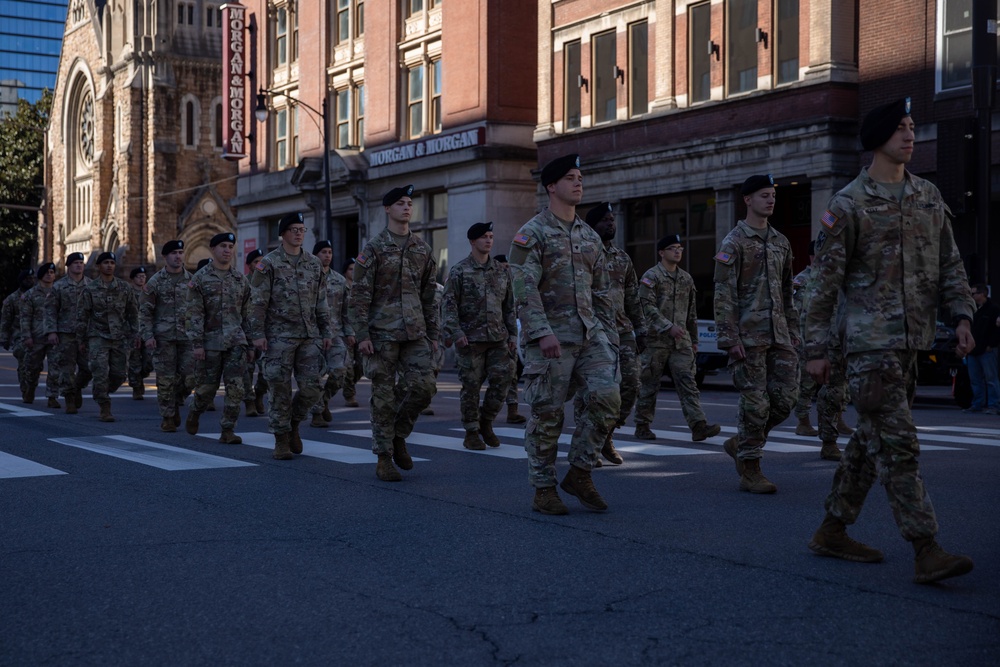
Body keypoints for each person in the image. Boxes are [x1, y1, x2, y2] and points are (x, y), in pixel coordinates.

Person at [805, 97, 975, 584]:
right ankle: (926, 548)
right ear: (878, 138)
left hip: (912, 343)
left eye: (912, 127)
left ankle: (832, 529)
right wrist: (816, 350)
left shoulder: (927, 197)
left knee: (868, 441)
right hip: (868, 347)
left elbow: (950, 266)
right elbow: (823, 284)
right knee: (900, 446)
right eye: (900, 128)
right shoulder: (848, 204)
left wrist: (961, 317)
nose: (910, 135)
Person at [508, 154, 621, 515]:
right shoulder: (533, 232)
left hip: (590, 336)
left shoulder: (590, 237)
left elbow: (602, 291)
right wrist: (541, 333)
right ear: (551, 186)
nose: (578, 182)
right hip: (550, 340)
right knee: (548, 414)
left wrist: (608, 335)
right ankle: (543, 488)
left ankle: (580, 471)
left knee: (608, 399)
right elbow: (522, 287)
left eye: (580, 177)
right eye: (570, 177)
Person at [714, 174, 799, 494]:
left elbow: (787, 290)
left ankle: (741, 441)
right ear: (747, 200)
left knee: (785, 400)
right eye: (764, 195)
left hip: (779, 335)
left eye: (773, 195)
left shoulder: (781, 242)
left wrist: (793, 331)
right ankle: (750, 468)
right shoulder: (733, 242)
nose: (771, 200)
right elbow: (723, 294)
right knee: (756, 404)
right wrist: (729, 338)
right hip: (748, 338)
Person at [348, 185, 439, 481]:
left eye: (410, 203)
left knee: (424, 387)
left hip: (415, 332)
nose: (407, 207)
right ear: (387, 209)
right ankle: (383, 456)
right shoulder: (373, 249)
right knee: (384, 397)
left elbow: (429, 295)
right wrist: (362, 335)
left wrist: (433, 334)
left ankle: (399, 434)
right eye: (400, 203)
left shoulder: (422, 249)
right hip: (382, 334)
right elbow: (359, 295)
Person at [249, 212, 333, 460]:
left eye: (302, 229)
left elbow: (321, 301)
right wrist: (257, 333)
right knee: (279, 388)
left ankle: (294, 423)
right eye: (293, 229)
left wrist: (326, 331)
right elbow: (258, 302)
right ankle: (281, 439)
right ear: (283, 233)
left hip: (308, 336)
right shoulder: (269, 264)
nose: (298, 233)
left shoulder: (313, 263)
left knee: (313, 388)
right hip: (278, 337)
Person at [576, 204, 649, 465]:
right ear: (592, 226)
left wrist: (640, 329)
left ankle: (605, 433)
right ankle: (589, 443)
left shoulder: (622, 258)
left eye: (612, 219)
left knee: (631, 383)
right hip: (593, 330)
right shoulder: (583, 253)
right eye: (605, 220)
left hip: (622, 329)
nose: (611, 224)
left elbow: (632, 297)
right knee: (592, 391)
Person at [634, 233, 720, 444]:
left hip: (681, 341)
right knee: (649, 384)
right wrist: (667, 326)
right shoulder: (651, 277)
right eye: (673, 248)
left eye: (680, 248)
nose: (677, 251)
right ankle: (642, 425)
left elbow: (691, 312)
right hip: (655, 341)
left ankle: (698, 426)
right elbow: (646, 306)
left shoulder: (686, 279)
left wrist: (695, 339)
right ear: (661, 252)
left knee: (688, 383)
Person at [442, 221, 516, 450]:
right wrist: (456, 332)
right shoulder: (459, 270)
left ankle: (486, 422)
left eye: (491, 236)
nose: (489, 240)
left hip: (498, 338)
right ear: (473, 241)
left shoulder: (502, 271)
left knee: (503, 382)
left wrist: (513, 334)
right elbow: (449, 305)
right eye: (484, 236)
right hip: (470, 340)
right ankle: (471, 431)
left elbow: (509, 306)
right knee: (471, 388)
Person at [185, 232, 252, 444]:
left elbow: (248, 313)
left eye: (230, 246)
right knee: (206, 390)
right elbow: (194, 314)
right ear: (213, 249)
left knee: (236, 388)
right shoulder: (200, 279)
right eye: (223, 246)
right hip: (210, 343)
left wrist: (250, 342)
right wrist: (197, 344)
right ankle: (195, 411)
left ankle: (228, 430)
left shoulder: (240, 279)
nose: (227, 250)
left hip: (236, 341)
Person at [76, 252, 139, 422]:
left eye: (112, 262)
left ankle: (101, 390)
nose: (109, 265)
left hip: (119, 337)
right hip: (98, 336)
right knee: (100, 372)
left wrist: (136, 334)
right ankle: (104, 406)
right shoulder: (90, 289)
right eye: (106, 263)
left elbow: (133, 313)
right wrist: (81, 340)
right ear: (99, 266)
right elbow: (83, 315)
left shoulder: (125, 288)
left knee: (119, 374)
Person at [140, 241, 195, 432]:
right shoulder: (154, 282)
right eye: (174, 253)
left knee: (191, 377)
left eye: (181, 252)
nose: (178, 256)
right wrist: (148, 336)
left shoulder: (192, 281)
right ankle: (168, 417)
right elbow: (145, 312)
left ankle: (175, 401)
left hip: (187, 338)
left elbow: (199, 310)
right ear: (165, 257)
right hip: (163, 338)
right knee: (165, 380)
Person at [308, 240, 350, 428]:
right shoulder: (307, 279)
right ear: (315, 255)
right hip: (313, 335)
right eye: (323, 252)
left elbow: (346, 310)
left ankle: (324, 400)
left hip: (335, 333)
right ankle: (316, 413)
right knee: (314, 376)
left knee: (339, 371)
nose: (327, 255)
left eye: (330, 252)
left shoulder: (340, 280)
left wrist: (350, 332)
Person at [50, 252, 92, 414]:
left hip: (86, 334)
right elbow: (51, 310)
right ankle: (69, 399)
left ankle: (76, 387)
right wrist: (52, 331)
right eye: (75, 263)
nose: (79, 265)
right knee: (66, 368)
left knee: (88, 368)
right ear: (68, 266)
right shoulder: (59, 287)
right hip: (65, 333)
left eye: (81, 262)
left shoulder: (91, 285)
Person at [19, 262, 60, 406]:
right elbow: (25, 318)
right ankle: (30, 389)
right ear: (41, 275)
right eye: (47, 272)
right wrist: (27, 336)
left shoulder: (59, 291)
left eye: (52, 272)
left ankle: (52, 396)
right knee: (32, 367)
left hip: (55, 336)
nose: (50, 274)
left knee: (55, 367)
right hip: (36, 337)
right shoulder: (30, 294)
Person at [494, 254, 527, 424]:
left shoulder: (514, 286)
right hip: (487, 336)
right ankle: (476, 414)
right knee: (478, 378)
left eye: (508, 266)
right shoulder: (489, 283)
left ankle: (512, 411)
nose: (507, 269)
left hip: (508, 336)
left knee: (512, 374)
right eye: (504, 266)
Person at [791, 242, 819, 436]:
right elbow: (795, 313)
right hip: (807, 340)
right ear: (813, 256)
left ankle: (837, 420)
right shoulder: (802, 281)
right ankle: (803, 420)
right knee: (807, 382)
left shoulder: (832, 279)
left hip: (831, 339)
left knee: (838, 383)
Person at [963, 283, 1000, 414]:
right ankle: (977, 404)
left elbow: (997, 329)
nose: (972, 296)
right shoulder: (974, 309)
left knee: (991, 379)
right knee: (975, 379)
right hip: (973, 350)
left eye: (974, 293)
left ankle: (994, 405)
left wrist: (992, 344)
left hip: (987, 350)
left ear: (982, 294)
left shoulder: (994, 309)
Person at [1, 270, 35, 398]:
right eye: (27, 278)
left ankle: (34, 387)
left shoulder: (39, 295)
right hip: (19, 334)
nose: (30, 281)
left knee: (35, 364)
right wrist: (4, 338)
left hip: (38, 333)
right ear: (21, 281)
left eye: (32, 278)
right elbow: (5, 320)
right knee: (24, 361)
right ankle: (25, 389)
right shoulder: (12, 299)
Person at [242, 248, 267, 417]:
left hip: (266, 333)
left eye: (261, 261)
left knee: (267, 371)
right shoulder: (242, 283)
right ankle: (249, 401)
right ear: (249, 265)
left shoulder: (269, 282)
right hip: (246, 333)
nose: (259, 265)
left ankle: (259, 394)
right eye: (255, 262)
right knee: (246, 371)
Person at [127, 266, 153, 400]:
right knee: (135, 361)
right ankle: (136, 387)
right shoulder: (128, 293)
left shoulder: (149, 292)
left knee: (150, 360)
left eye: (144, 276)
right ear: (133, 279)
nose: (142, 279)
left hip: (147, 331)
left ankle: (141, 377)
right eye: (139, 276)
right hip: (132, 332)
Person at [340, 258, 362, 408]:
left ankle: (348, 384)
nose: (353, 272)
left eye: (356, 269)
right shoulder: (340, 286)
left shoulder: (362, 287)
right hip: (345, 332)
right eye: (350, 269)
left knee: (361, 365)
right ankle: (350, 395)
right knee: (347, 366)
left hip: (361, 331)